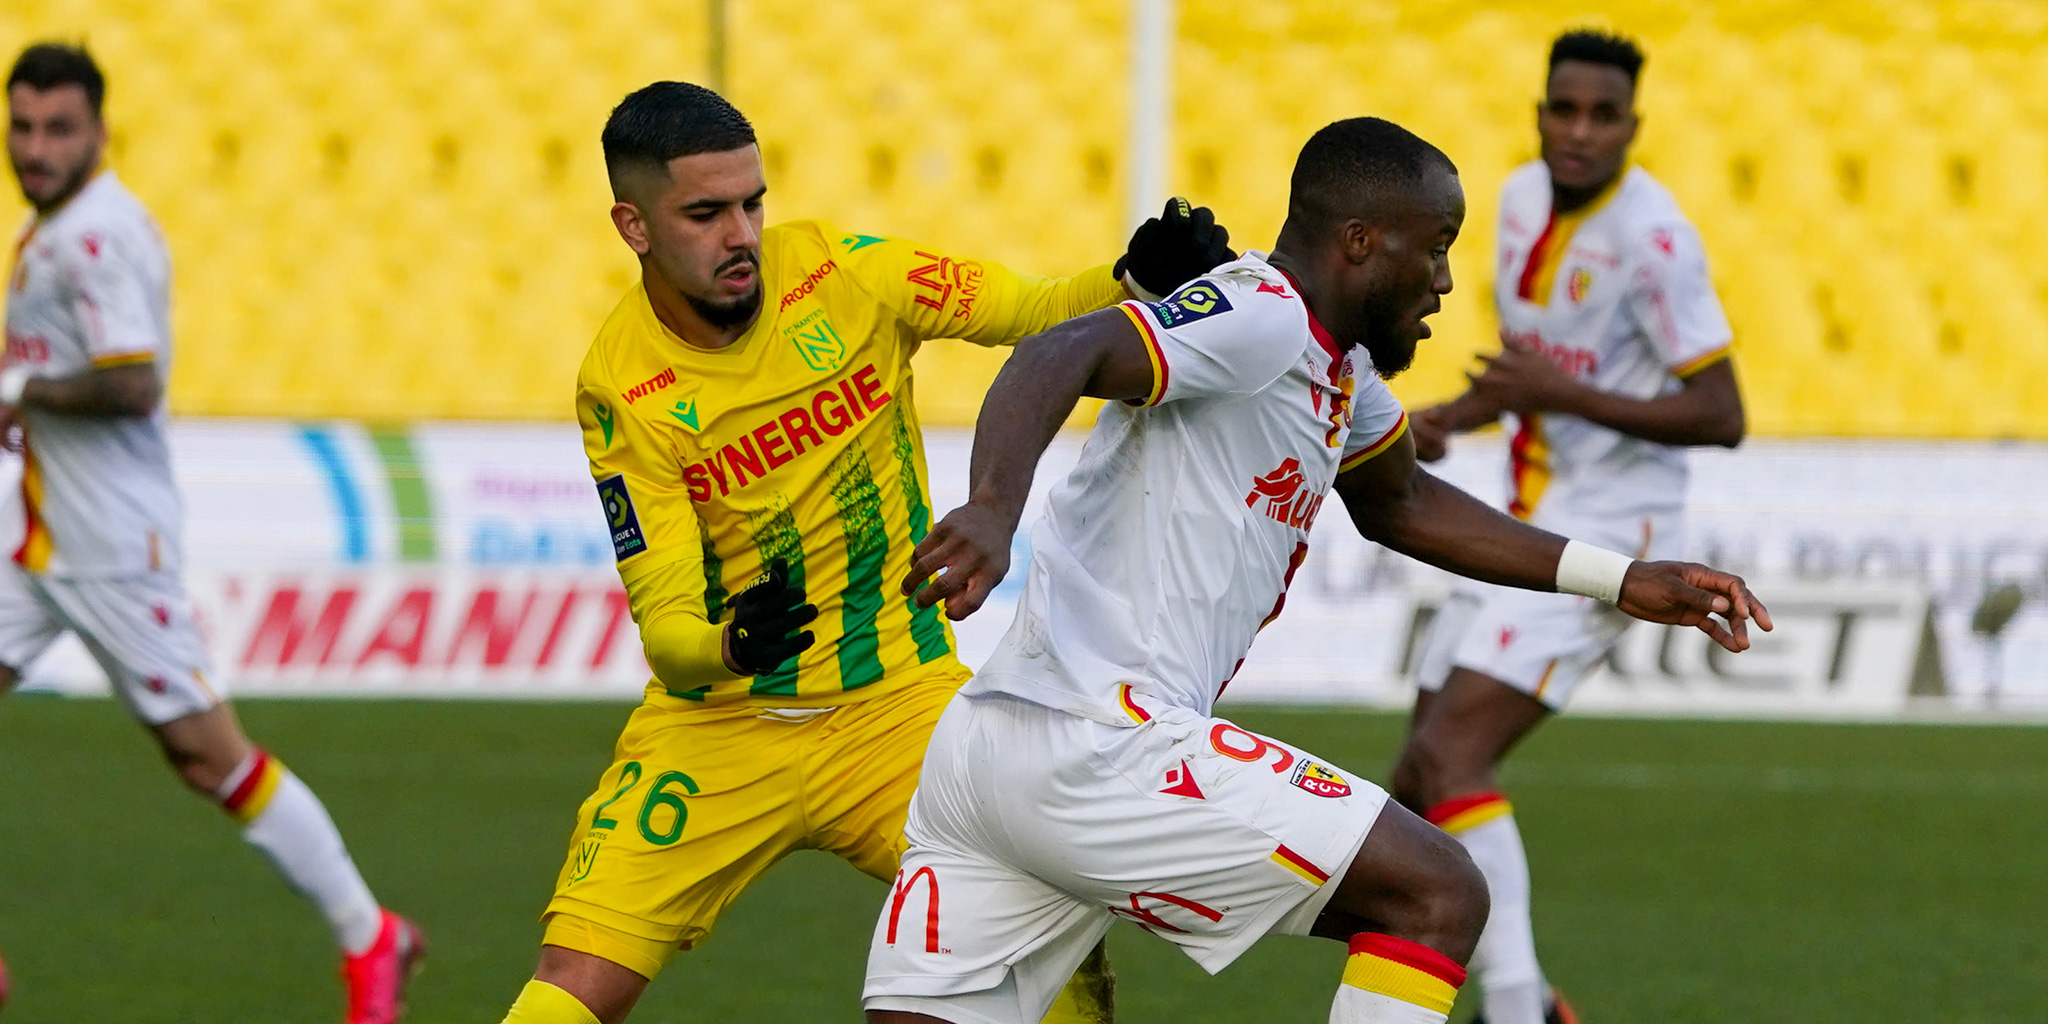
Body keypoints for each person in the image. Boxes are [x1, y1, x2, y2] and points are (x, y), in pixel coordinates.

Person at [858, 115, 1768, 1024]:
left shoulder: (1339, 373)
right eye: (1437, 248)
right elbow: (1060, 348)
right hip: (1107, 742)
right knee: (1437, 896)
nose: (1447, 281)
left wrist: (1622, 579)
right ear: (1363, 244)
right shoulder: (1262, 315)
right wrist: (992, 507)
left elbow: (1403, 504)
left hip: (988, 754)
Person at [496, 81, 1235, 1024]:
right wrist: (732, 646)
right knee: (568, 988)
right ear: (633, 226)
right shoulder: (621, 383)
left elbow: (1036, 310)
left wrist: (1134, 279)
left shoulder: (846, 272)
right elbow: (669, 629)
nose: (743, 234)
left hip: (898, 710)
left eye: (753, 203)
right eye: (706, 213)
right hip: (718, 731)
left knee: (1049, 938)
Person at [3, 42, 421, 1024]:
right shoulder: (52, 228)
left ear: (100, 132)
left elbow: (132, 379)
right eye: (23, 127)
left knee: (209, 757)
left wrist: (24, 392)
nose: (37, 147)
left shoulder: (94, 238)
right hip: (39, 538)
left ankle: (371, 933)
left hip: (110, 550)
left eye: (59, 128)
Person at [1398, 30, 1746, 1024]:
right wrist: (1452, 419)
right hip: (1515, 504)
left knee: (1454, 754)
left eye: (1602, 115)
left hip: (1611, 525)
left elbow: (1721, 414)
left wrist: (1561, 392)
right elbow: (1529, 372)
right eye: (1563, 109)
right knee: (1413, 772)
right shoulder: (1508, 200)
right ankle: (1490, 996)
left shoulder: (1655, 242)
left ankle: (1512, 1006)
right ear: (1539, 111)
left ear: (1632, 127)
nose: (1579, 131)